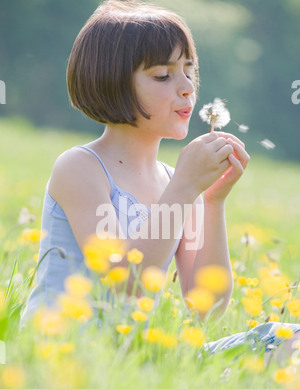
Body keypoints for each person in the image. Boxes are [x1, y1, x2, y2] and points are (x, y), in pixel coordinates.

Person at [20, 0, 300, 357]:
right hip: (67, 353)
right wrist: (183, 189)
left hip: (140, 355)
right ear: (113, 83)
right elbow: (122, 285)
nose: (186, 88)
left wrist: (212, 201)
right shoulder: (81, 167)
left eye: (189, 70)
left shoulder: (177, 181)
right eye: (163, 76)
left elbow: (207, 307)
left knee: (289, 338)